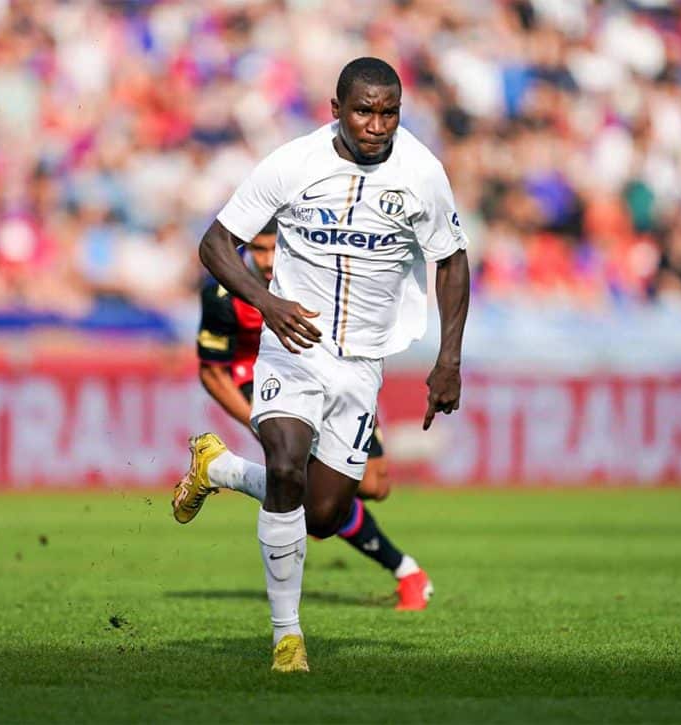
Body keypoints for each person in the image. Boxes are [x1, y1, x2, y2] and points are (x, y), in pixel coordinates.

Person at [173, 57, 470, 672]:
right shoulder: (292, 164)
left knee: (324, 513)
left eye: (389, 112)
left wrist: (449, 359)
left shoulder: (422, 173)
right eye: (364, 110)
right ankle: (288, 638)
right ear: (335, 110)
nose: (377, 124)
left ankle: (220, 469)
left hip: (364, 362)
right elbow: (214, 243)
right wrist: (268, 302)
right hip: (295, 347)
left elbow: (452, 259)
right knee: (285, 466)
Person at [190, 216, 432, 610]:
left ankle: (222, 469)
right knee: (309, 490)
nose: (268, 260)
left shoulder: (319, 274)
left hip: (334, 379)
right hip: (271, 386)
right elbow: (211, 371)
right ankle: (407, 572)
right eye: (258, 249)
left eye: (275, 248)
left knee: (374, 486)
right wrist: (263, 418)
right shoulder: (224, 294)